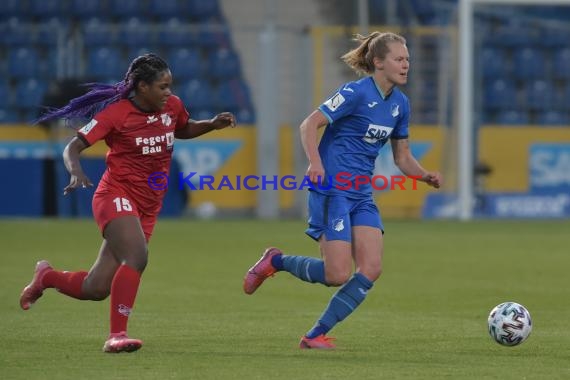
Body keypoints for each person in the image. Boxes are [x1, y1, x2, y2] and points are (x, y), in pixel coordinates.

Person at [19, 53, 236, 353]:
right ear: (142, 87)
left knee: (95, 288)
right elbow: (74, 146)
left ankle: (47, 277)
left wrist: (211, 124)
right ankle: (116, 336)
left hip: (147, 206)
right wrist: (76, 171)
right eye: (162, 86)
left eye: (170, 85)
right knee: (137, 256)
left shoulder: (171, 107)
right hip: (115, 194)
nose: (169, 92)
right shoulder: (116, 114)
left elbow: (182, 128)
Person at [243, 32, 442, 349]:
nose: (406, 65)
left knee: (371, 269)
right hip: (332, 190)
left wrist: (423, 176)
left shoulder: (400, 105)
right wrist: (315, 163)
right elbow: (309, 124)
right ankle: (275, 261)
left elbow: (402, 156)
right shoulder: (355, 92)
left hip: (361, 194)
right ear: (378, 62)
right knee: (336, 274)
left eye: (408, 60)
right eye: (399, 59)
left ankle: (314, 335)